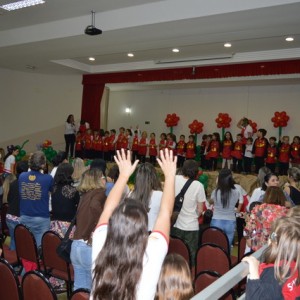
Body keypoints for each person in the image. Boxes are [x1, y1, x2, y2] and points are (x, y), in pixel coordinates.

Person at [91, 149, 176, 300]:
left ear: (114, 222)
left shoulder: (100, 242)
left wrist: (123, 175)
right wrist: (170, 176)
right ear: (143, 226)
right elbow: (165, 212)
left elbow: (108, 208)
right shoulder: (152, 252)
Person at [243, 217, 300, 299]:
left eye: (271, 235)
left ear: (273, 241)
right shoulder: (295, 264)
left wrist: (254, 275)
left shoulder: (272, 275)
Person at [70, 168, 106, 291]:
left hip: (76, 244)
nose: (104, 179)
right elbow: (95, 206)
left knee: (79, 287)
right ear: (97, 180)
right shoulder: (99, 193)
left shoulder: (84, 195)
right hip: (88, 245)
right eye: (102, 177)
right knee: (94, 290)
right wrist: (104, 221)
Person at [171, 159, 206, 266]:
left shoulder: (174, 179)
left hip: (175, 223)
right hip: (191, 226)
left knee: (175, 253)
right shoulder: (198, 186)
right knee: (190, 256)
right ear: (196, 172)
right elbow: (200, 210)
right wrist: (195, 214)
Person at [19, 151, 53, 247]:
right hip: (41, 218)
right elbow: (52, 191)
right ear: (43, 164)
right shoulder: (48, 178)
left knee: (27, 247)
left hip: (25, 216)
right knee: (40, 248)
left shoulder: (22, 176)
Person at [244, 186, 288, 251]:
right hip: (275, 248)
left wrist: (249, 241)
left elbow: (248, 228)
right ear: (282, 197)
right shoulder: (284, 212)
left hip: (257, 246)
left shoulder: (257, 209)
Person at [210, 169, 243, 246]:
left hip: (216, 220)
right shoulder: (236, 192)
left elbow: (212, 201)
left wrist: (217, 185)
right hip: (230, 221)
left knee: (215, 245)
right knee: (228, 245)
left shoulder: (215, 191)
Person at [129, 162, 162, 231]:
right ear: (154, 177)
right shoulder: (160, 195)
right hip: (153, 233)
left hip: (135, 232)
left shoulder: (131, 194)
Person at [50, 163, 80, 238]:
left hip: (54, 223)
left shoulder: (53, 188)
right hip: (68, 225)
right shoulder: (72, 190)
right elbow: (79, 207)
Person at [6, 161, 28, 250]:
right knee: (23, 245)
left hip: (10, 216)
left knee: (13, 242)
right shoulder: (28, 184)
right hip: (21, 218)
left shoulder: (13, 183)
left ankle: (11, 261)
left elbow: (8, 199)